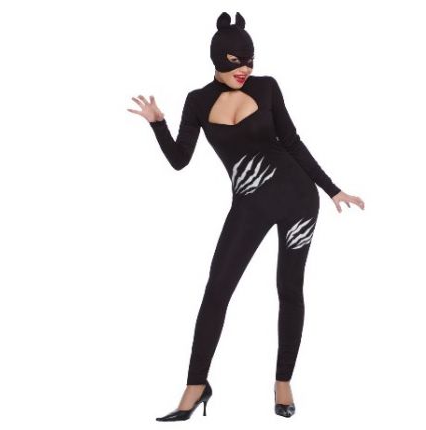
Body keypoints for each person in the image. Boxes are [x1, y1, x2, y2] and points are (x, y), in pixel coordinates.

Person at [127, 11, 365, 420]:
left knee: (289, 289)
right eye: (236, 62)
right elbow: (180, 160)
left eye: (250, 61)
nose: (245, 70)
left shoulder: (267, 87)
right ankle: (196, 386)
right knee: (217, 290)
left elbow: (292, 141)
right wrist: (158, 125)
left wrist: (332, 189)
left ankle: (283, 382)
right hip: (249, 204)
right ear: (218, 59)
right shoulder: (197, 101)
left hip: (298, 199)